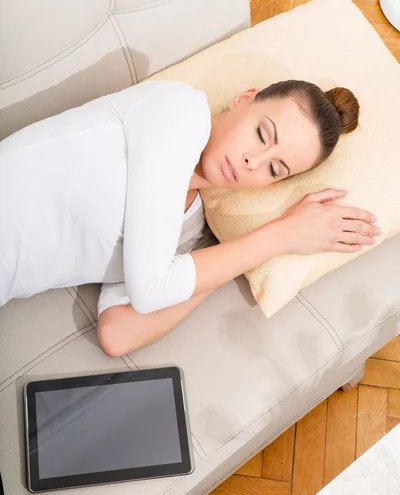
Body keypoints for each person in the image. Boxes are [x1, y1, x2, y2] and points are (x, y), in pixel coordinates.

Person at [0, 80, 380, 358]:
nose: (253, 161)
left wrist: (235, 257)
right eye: (262, 134)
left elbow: (118, 333)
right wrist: (280, 236)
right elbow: (151, 289)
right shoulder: (179, 109)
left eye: (274, 169)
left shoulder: (190, 233)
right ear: (243, 98)